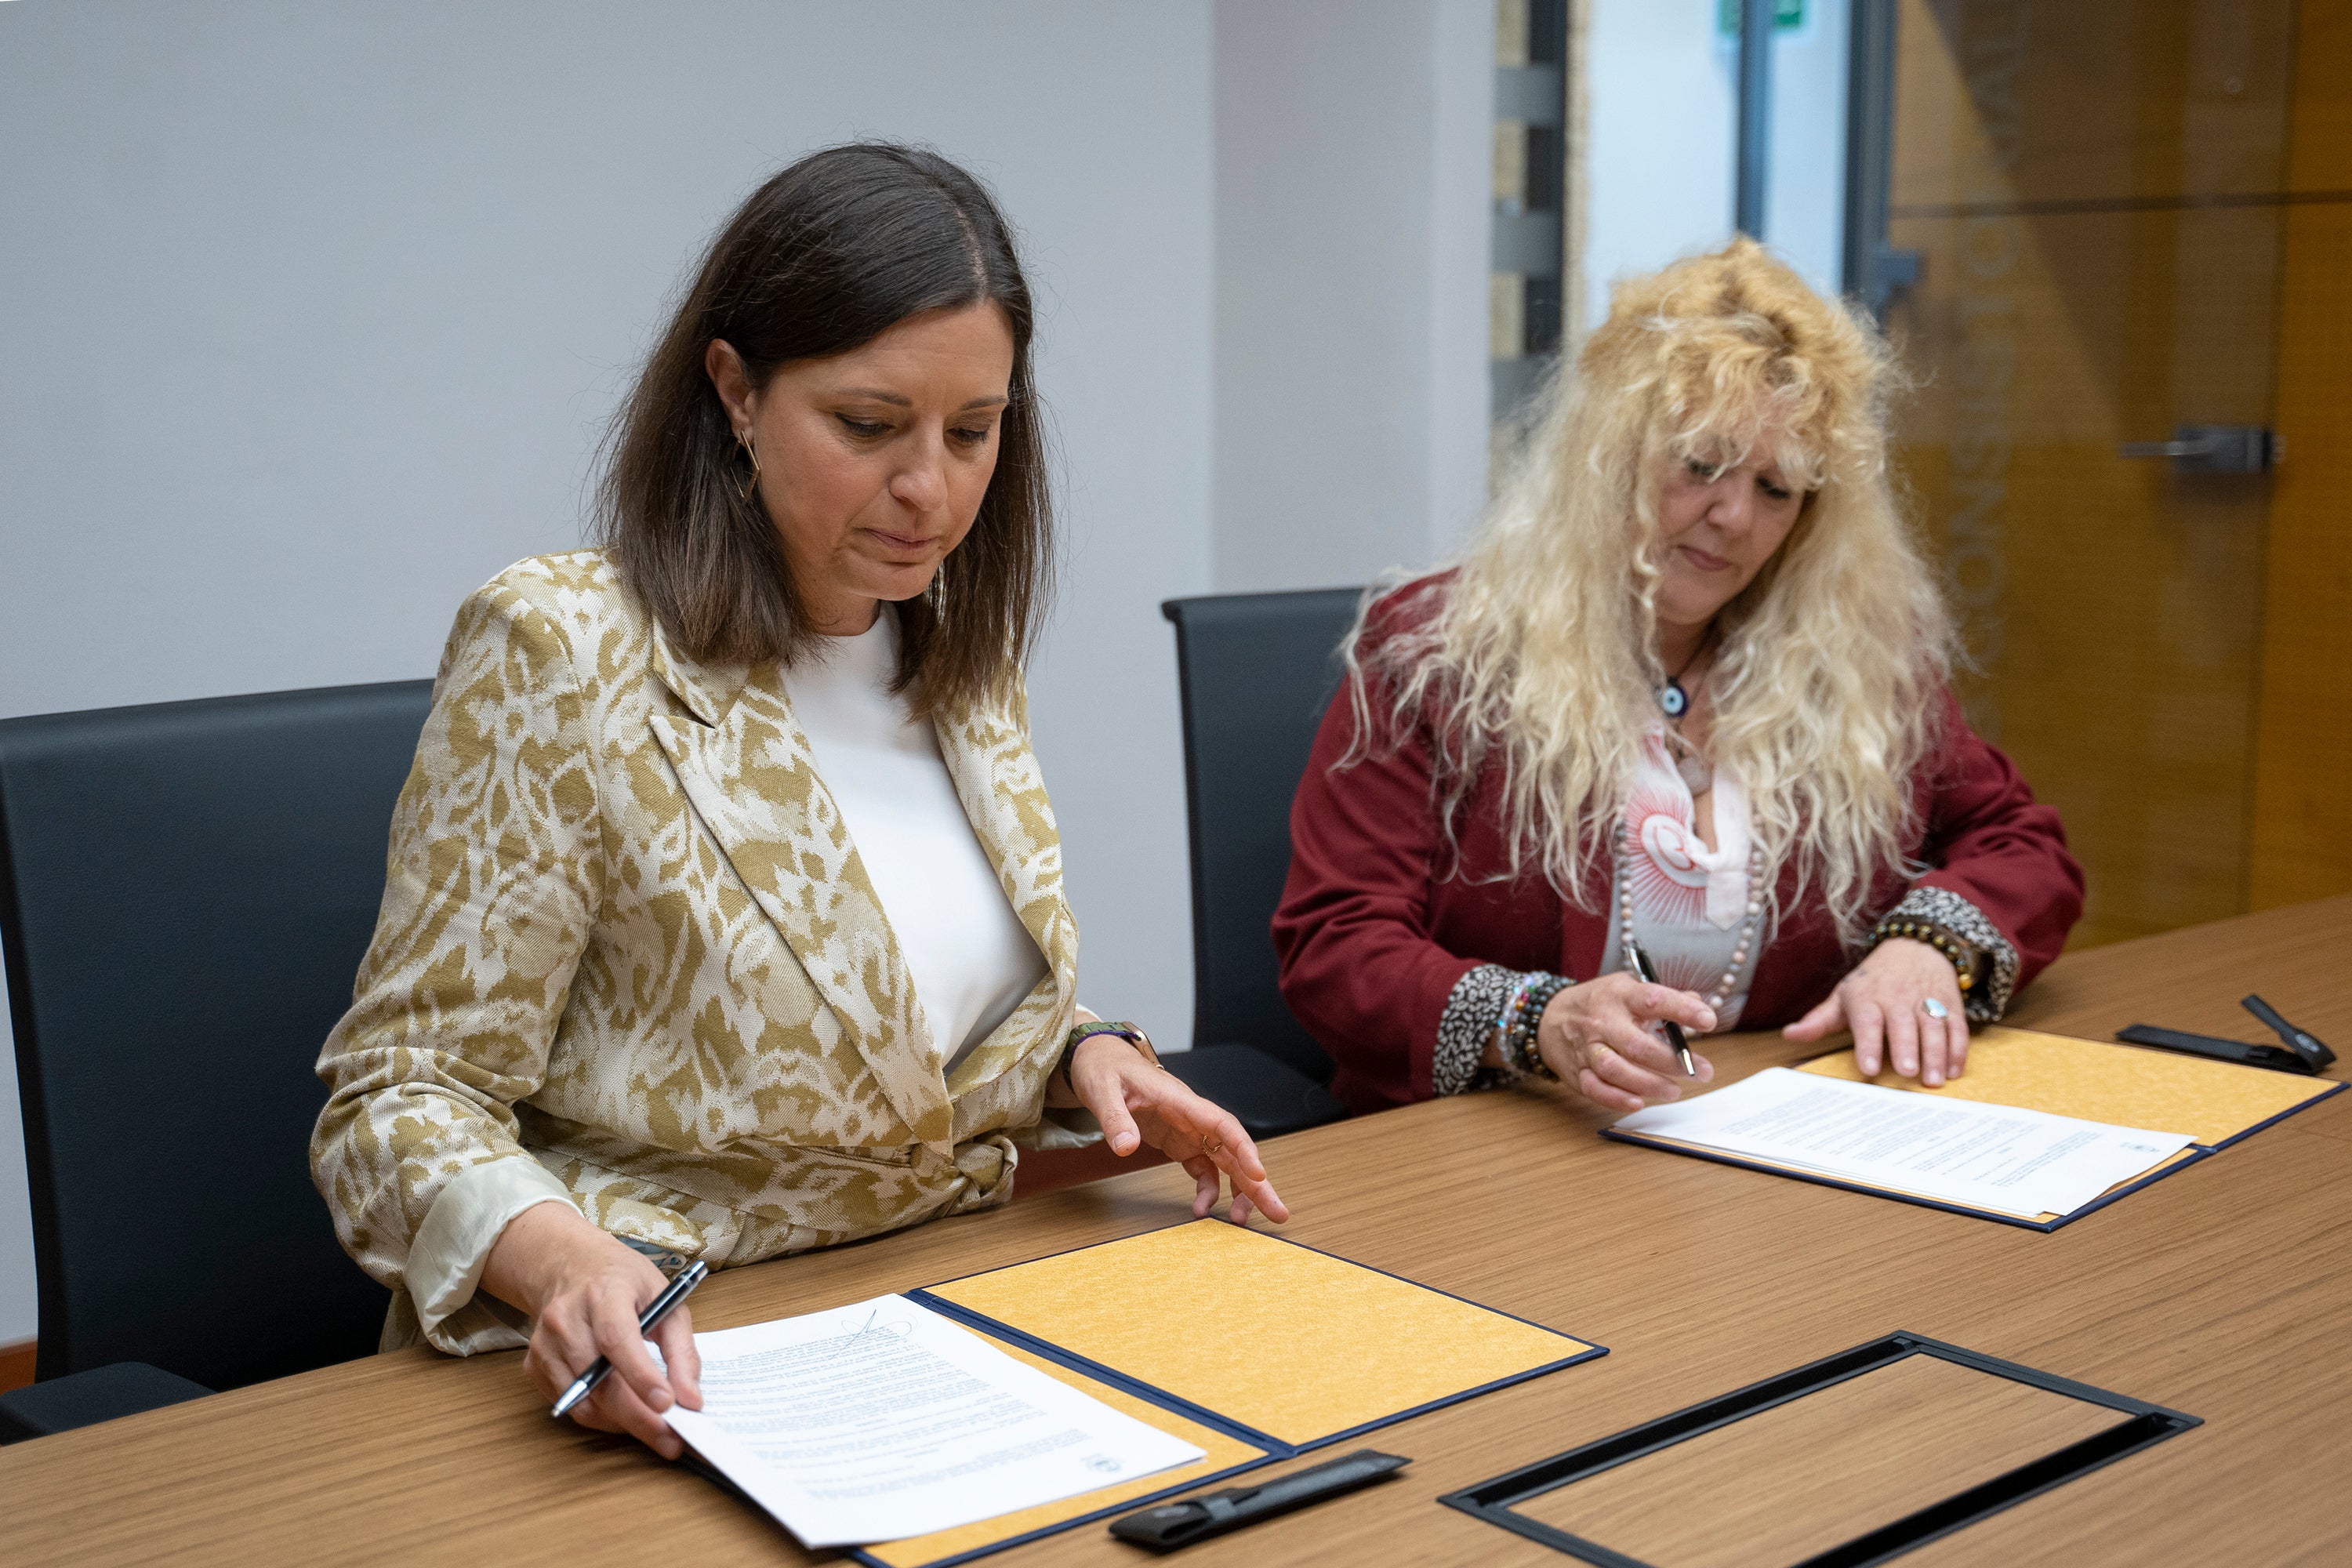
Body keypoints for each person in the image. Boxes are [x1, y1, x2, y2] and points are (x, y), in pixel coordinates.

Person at [311, 143, 1285, 1461]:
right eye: (869, 426)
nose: (931, 489)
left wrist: (1079, 1052)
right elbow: (396, 1098)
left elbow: (891, 1002)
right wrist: (558, 1261)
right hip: (669, 1361)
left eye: (973, 432)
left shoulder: (956, 649)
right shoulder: (563, 649)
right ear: (736, 392)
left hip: (938, 1317)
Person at [1273, 238, 2082, 1119]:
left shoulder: (1855, 664)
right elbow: (1337, 943)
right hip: (1497, 1135)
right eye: (1701, 464)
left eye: (1777, 487)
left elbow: (2021, 844)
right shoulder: (1436, 652)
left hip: (1771, 1126)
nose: (1734, 516)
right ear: (1611, 456)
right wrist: (1536, 1021)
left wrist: (1926, 947)